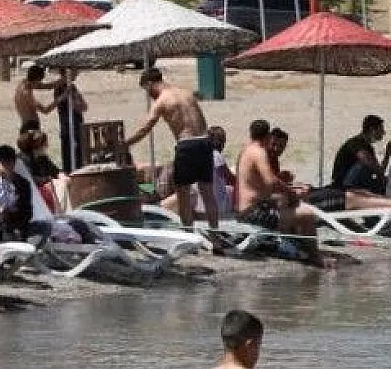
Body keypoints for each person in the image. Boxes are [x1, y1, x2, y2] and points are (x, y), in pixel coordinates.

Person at [127, 67, 218, 230]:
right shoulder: (187, 93)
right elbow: (202, 120)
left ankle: (189, 234)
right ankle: (216, 237)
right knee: (208, 194)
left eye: (146, 90)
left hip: (186, 144)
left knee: (182, 193)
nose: (148, 95)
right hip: (205, 142)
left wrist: (126, 143)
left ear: (149, 84)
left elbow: (145, 128)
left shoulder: (162, 101)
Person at [234, 119, 331, 265]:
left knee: (295, 206)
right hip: (253, 213)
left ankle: (298, 246)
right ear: (267, 136)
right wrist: (290, 192)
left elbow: (261, 185)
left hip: (249, 208)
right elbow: (271, 182)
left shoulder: (246, 150)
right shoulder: (259, 152)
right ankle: (314, 256)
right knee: (307, 214)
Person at [0, 143, 50, 244]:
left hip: (18, 226)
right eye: (3, 163)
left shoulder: (22, 183)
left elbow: (27, 212)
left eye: (9, 162)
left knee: (44, 227)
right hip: (1, 227)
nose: (6, 166)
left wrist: (13, 216)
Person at [331, 113, 389, 190]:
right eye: (381, 129)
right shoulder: (356, 144)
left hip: (356, 183)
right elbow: (375, 169)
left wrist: (388, 153)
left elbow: (379, 172)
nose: (383, 133)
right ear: (372, 130)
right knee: (363, 165)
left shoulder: (368, 148)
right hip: (343, 185)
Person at [50, 68, 87, 174]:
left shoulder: (72, 87)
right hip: (68, 125)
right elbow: (76, 106)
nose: (77, 74)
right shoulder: (60, 88)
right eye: (75, 72)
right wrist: (74, 100)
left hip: (77, 123)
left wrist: (76, 100)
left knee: (79, 153)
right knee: (69, 155)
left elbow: (84, 106)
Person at [13, 63, 54, 132]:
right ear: (36, 79)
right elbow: (45, 110)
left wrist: (60, 82)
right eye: (39, 81)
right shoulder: (26, 93)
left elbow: (44, 86)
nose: (40, 83)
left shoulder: (22, 84)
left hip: (25, 125)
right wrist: (61, 98)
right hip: (32, 126)